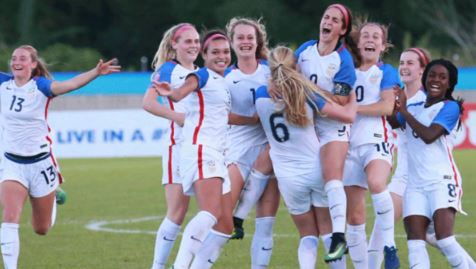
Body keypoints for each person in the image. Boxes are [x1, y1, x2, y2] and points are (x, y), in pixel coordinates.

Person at [0, 45, 120, 269]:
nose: (17, 61)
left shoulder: (41, 87)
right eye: (14, 58)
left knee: (41, 228)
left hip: (40, 164)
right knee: (10, 216)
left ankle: (53, 194)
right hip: (11, 164)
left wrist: (95, 72)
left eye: (23, 58)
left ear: (33, 64)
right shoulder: (2, 84)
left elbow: (69, 85)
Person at [255, 45, 357, 269]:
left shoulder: (261, 94)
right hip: (315, 170)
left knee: (306, 236)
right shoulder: (307, 92)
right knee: (328, 234)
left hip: (288, 179)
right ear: (297, 66)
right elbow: (348, 116)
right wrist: (352, 96)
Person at [154, 30, 233, 269]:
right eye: (215, 52)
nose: (222, 56)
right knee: (209, 213)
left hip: (218, 154)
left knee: (225, 225)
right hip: (202, 150)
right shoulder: (203, 75)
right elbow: (187, 87)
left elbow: (224, 116)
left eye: (226, 52)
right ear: (204, 55)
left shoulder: (222, 80)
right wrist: (174, 93)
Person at [390, 59, 471, 269]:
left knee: (444, 239)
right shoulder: (414, 106)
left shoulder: (450, 107)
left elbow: (429, 135)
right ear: (425, 78)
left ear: (449, 84)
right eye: (432, 75)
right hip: (415, 185)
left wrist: (405, 111)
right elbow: (392, 121)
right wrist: (393, 101)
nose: (436, 80)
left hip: (441, 181)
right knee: (415, 242)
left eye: (442, 77)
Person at [294, 3, 357, 263]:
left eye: (334, 20)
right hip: (307, 128)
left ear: (342, 29)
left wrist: (305, 88)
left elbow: (340, 102)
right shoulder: (305, 50)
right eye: (326, 17)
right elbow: (289, 77)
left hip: (333, 129)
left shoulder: (343, 60)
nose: (327, 22)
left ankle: (340, 237)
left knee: (332, 179)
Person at [341, 22, 400, 269]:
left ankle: (389, 246)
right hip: (347, 145)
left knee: (377, 183)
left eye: (376, 36)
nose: (370, 39)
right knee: (354, 217)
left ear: (383, 45)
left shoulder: (386, 71)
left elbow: (387, 107)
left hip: (376, 140)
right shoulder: (347, 71)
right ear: (358, 42)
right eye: (365, 35)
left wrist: (352, 109)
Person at [223, 17, 280, 269]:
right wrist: (251, 118)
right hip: (237, 150)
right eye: (240, 38)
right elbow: (218, 114)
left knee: (265, 223)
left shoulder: (272, 71)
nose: (245, 42)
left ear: (258, 42)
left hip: (271, 150)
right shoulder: (225, 76)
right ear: (232, 43)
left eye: (250, 37)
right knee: (220, 216)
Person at [142, 22, 200, 269]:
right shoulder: (168, 70)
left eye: (197, 41)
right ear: (174, 45)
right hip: (178, 147)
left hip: (202, 148)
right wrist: (181, 119)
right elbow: (148, 103)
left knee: (213, 212)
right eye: (188, 41)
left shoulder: (202, 71)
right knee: (176, 213)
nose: (194, 46)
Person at [367, 47, 429, 268]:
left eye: (410, 63)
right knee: (381, 229)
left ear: (423, 69)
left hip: (427, 181)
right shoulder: (395, 97)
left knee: (440, 239)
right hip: (403, 178)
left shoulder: (427, 100)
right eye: (402, 62)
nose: (404, 66)